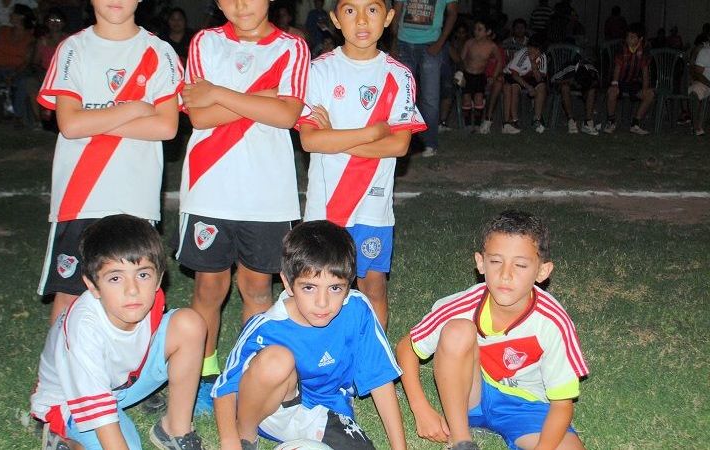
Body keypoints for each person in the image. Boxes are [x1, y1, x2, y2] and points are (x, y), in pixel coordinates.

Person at [172, 0, 309, 416]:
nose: (241, 4)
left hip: (268, 194)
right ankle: (205, 375)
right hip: (209, 187)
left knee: (258, 288)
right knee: (208, 289)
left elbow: (286, 115)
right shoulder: (205, 43)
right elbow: (198, 117)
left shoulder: (292, 47)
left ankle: (252, 374)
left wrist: (219, 94)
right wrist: (261, 98)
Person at [36, 0, 182, 326]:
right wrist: (133, 109)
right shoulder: (72, 49)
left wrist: (94, 121)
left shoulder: (159, 52)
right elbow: (70, 124)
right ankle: (59, 360)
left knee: (133, 293)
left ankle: (128, 360)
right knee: (71, 293)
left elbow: (166, 126)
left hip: (135, 195)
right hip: (80, 193)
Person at [396, 210, 589, 450]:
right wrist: (421, 409)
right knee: (457, 330)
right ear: (481, 263)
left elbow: (562, 404)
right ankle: (461, 440)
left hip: (527, 408)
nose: (505, 275)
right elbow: (406, 348)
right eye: (496, 262)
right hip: (472, 396)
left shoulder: (553, 321)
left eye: (520, 265)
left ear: (542, 271)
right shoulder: (464, 305)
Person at [212, 220, 406, 450]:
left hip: (327, 410)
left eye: (335, 288)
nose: (322, 303)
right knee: (276, 360)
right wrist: (229, 441)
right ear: (287, 283)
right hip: (271, 412)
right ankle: (246, 435)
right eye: (309, 288)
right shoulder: (268, 327)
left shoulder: (357, 310)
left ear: (349, 284)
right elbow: (225, 388)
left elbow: (380, 379)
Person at [297, 0, 426, 331]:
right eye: (350, 11)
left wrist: (334, 137)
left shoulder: (398, 75)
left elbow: (398, 145)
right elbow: (310, 141)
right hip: (325, 205)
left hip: (373, 206)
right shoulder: (318, 71)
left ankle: (373, 357)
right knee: (321, 285)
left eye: (372, 9)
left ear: (389, 17)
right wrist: (370, 134)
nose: (362, 20)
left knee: (373, 286)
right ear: (336, 19)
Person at [30, 214, 207, 450]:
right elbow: (99, 411)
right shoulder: (83, 328)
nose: (132, 290)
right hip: (72, 399)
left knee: (189, 324)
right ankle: (65, 441)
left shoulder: (150, 299)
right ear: (92, 285)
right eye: (115, 278)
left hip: (123, 383)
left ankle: (175, 429)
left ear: (158, 279)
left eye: (143, 275)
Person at [393, 0, 459, 158]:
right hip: (404, 44)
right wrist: (394, 42)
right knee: (404, 97)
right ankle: (404, 141)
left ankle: (429, 143)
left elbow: (453, 13)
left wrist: (440, 43)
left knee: (430, 98)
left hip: (430, 45)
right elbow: (396, 12)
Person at [20, 7, 67, 130]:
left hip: (65, 75)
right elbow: (35, 63)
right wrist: (44, 73)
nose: (55, 23)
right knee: (30, 83)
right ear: (46, 23)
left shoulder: (69, 40)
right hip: (46, 74)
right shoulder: (42, 41)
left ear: (64, 23)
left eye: (58, 20)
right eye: (51, 20)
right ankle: (39, 120)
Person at [604, 23, 654, 135]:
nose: (628, 39)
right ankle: (611, 121)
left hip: (634, 82)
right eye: (627, 36)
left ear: (640, 39)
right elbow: (617, 67)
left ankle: (635, 124)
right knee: (612, 92)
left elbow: (645, 70)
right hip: (620, 80)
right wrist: (615, 84)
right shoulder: (622, 46)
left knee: (649, 94)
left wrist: (645, 88)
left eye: (632, 37)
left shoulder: (645, 47)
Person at [459, 18, 503, 132]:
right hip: (467, 74)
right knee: (466, 99)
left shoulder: (492, 46)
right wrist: (460, 75)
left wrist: (493, 76)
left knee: (479, 99)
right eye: (475, 29)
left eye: (480, 29)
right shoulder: (469, 43)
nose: (476, 32)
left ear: (488, 32)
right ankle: (468, 124)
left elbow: (499, 61)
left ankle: (478, 124)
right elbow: (461, 60)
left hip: (480, 75)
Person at [502, 32, 548, 134]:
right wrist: (529, 87)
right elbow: (514, 74)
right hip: (513, 75)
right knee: (514, 87)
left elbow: (539, 79)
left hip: (529, 76)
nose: (532, 50)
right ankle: (514, 120)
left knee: (542, 86)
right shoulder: (523, 53)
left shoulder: (542, 57)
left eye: (536, 49)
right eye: (530, 47)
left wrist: (533, 64)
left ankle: (537, 118)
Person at [551, 54, 600, 135]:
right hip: (569, 82)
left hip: (588, 85)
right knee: (564, 87)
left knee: (592, 90)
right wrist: (566, 81)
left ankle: (588, 122)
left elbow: (598, 83)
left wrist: (587, 87)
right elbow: (553, 79)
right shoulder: (569, 68)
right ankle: (571, 120)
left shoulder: (592, 70)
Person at [439, 22, 468, 131]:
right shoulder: (422, 44)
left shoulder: (447, 45)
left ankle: (442, 122)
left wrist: (459, 74)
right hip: (428, 76)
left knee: (448, 87)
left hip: (446, 76)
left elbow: (459, 62)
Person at [688, 36, 710, 136]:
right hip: (705, 83)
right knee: (695, 91)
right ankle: (696, 126)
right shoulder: (705, 51)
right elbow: (697, 73)